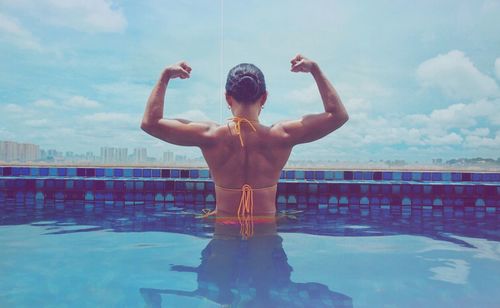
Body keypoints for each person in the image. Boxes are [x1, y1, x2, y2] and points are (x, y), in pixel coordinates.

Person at [141, 54, 349, 222]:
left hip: (225, 226)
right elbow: (338, 116)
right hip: (266, 226)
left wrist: (165, 75)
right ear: (264, 97)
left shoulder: (210, 136)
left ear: (227, 98)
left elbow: (150, 123)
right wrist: (315, 70)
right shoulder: (282, 135)